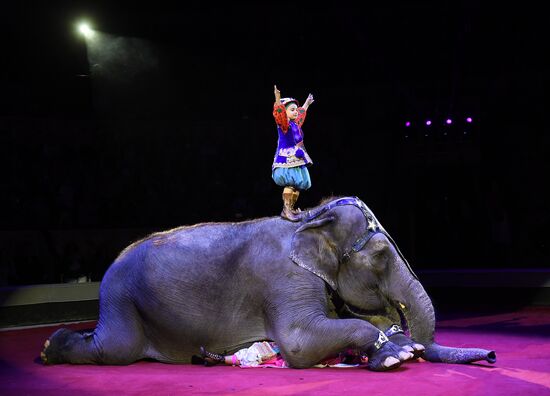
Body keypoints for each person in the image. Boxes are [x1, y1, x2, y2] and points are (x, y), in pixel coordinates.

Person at [272, 85, 315, 221]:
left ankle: (291, 208)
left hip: (296, 157)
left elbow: (301, 115)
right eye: (292, 110)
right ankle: (286, 209)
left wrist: (306, 104)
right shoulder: (283, 125)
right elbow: (279, 113)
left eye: (295, 109)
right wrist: (277, 98)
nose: (296, 112)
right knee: (290, 183)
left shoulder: (294, 124)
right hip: (287, 157)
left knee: (297, 186)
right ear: (285, 112)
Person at [198, 342, 366, 368]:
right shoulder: (343, 346)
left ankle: (218, 358)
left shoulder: (346, 358)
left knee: (257, 354)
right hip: (294, 348)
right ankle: (215, 359)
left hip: (294, 358)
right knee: (261, 347)